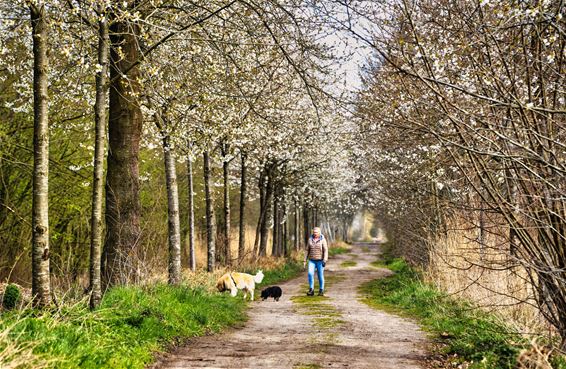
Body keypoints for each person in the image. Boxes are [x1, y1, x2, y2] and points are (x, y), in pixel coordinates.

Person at [303, 227, 328, 296]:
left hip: (320, 261)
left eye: (316, 232)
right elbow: (307, 250)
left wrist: (325, 259)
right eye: (314, 232)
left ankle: (321, 290)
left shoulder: (323, 240)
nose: (315, 233)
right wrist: (304, 260)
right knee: (310, 274)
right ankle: (311, 290)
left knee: (320, 275)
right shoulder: (310, 239)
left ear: (319, 233)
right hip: (312, 260)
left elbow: (325, 250)